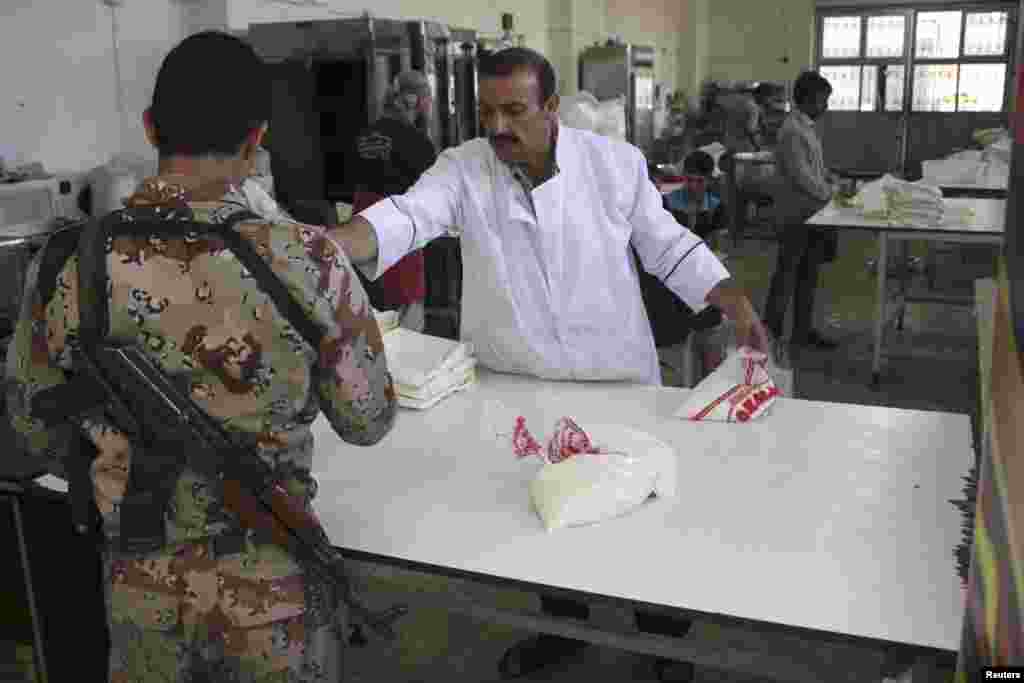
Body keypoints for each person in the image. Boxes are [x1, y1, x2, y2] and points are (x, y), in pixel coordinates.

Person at [328, 47, 770, 682]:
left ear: (552, 109)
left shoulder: (612, 165)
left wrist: (731, 297)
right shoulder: (463, 169)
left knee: (642, 519)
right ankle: (566, 630)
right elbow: (406, 218)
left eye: (515, 110)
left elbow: (666, 245)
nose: (499, 126)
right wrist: (331, 246)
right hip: (520, 381)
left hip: (614, 376)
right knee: (544, 515)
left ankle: (665, 643)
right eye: (487, 112)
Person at [5, 31, 397, 681]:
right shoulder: (311, 260)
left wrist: (97, 444)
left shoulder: (66, 260)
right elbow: (367, 418)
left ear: (151, 127)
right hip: (275, 598)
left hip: (144, 597)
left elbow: (28, 426)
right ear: (256, 140)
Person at [347, 70, 437, 333]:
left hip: (361, 233)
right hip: (400, 235)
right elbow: (433, 195)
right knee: (407, 318)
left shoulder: (362, 135)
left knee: (371, 312)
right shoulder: (418, 142)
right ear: (418, 102)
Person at [763, 70, 839, 350]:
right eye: (822, 100)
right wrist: (830, 193)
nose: (825, 107)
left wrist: (830, 178)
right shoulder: (792, 131)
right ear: (806, 99)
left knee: (808, 274)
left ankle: (802, 332)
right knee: (787, 274)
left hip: (812, 214)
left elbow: (814, 169)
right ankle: (770, 334)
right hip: (796, 214)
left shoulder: (804, 127)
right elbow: (801, 176)